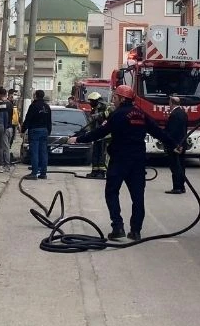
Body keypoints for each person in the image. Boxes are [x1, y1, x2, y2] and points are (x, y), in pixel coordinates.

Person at [70, 84, 172, 241]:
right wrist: (175, 144)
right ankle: (135, 231)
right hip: (138, 162)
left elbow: (100, 133)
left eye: (115, 97)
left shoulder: (117, 115)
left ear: (123, 98)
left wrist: (78, 139)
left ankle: (117, 227)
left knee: (111, 192)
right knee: (138, 198)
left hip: (119, 160)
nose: (113, 100)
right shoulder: (141, 114)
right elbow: (158, 132)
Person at [79, 91, 111, 179]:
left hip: (104, 136)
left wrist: (99, 115)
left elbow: (109, 115)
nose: (90, 103)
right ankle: (94, 171)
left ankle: (101, 172)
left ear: (97, 100)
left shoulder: (106, 107)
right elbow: (92, 122)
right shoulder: (95, 109)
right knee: (95, 153)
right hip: (96, 135)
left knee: (102, 154)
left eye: (92, 101)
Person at [21, 89, 52, 179]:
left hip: (35, 130)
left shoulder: (33, 106)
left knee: (34, 152)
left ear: (35, 96)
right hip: (44, 131)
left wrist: (23, 130)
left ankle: (34, 173)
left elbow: (28, 119)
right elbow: (49, 121)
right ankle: (43, 173)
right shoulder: (47, 107)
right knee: (43, 152)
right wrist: (48, 131)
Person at [164, 96, 189, 195]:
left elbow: (173, 132)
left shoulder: (174, 114)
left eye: (169, 102)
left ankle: (177, 187)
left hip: (176, 145)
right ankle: (182, 186)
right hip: (182, 143)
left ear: (171, 103)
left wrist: (173, 145)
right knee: (181, 166)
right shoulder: (183, 113)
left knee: (175, 166)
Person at [0, 88, 14, 173]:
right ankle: (6, 165)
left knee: (2, 147)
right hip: (10, 127)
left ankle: (4, 165)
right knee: (6, 147)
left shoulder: (2, 104)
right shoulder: (10, 104)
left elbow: (4, 117)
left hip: (4, 127)